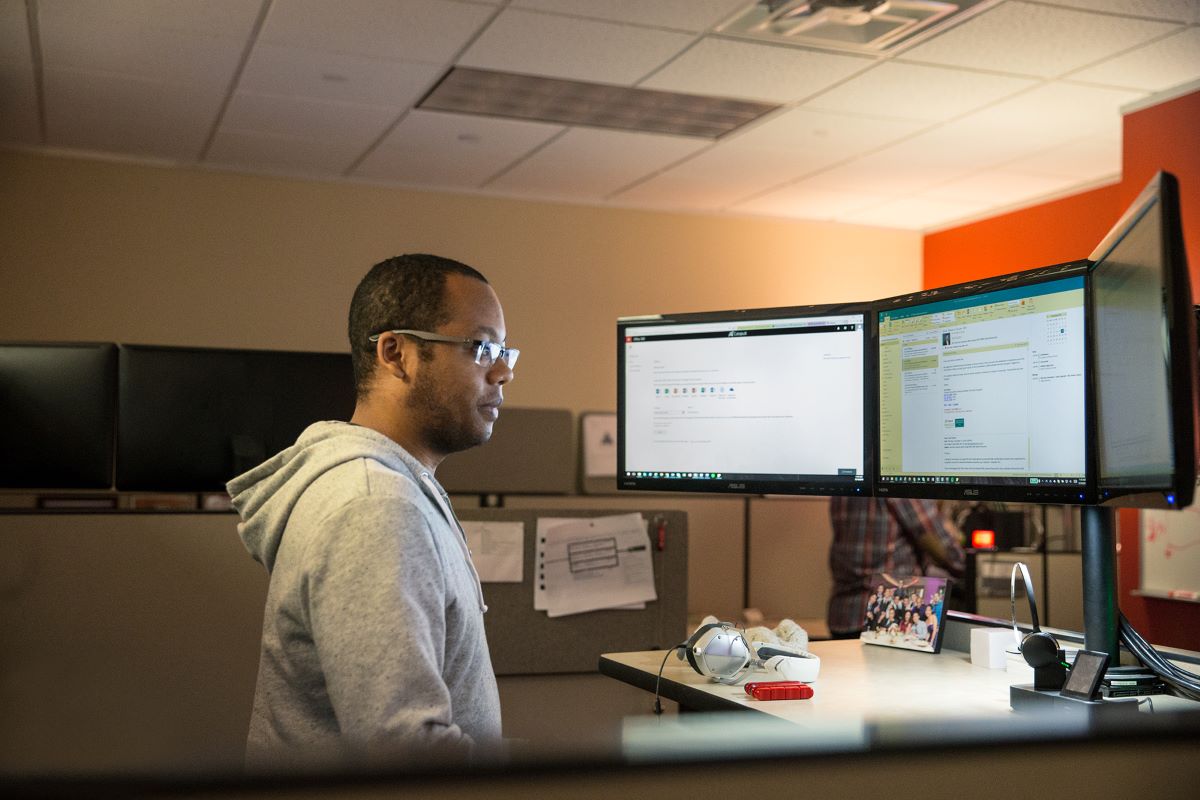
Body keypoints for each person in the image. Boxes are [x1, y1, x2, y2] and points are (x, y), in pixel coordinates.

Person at [227, 254, 516, 767]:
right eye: (481, 347)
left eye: (504, 351)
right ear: (396, 353)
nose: (501, 372)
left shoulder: (391, 487)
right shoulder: (374, 506)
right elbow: (405, 748)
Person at [826, 497, 965, 639]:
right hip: (889, 619)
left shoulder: (844, 488)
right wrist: (968, 565)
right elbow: (943, 546)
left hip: (842, 614)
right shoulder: (898, 485)